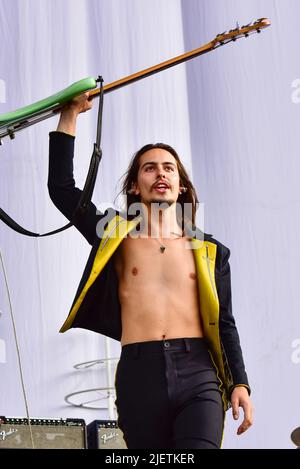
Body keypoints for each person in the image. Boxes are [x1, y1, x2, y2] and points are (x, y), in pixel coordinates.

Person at [48, 92, 253, 449]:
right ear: (134, 185)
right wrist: (70, 117)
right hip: (139, 373)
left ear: (181, 185)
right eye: (149, 168)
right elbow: (62, 189)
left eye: (168, 168)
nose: (160, 173)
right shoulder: (112, 236)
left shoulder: (209, 251)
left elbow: (226, 322)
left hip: (198, 372)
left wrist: (240, 383)